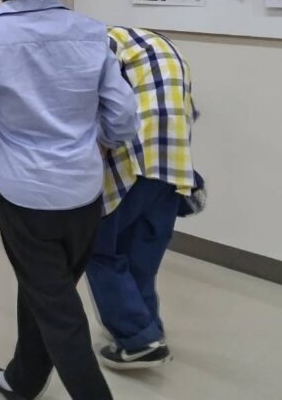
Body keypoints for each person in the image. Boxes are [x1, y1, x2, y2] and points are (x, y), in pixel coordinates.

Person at [0, 0, 138, 400]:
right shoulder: (92, 33)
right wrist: (98, 141)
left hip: (23, 194)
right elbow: (122, 117)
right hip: (83, 191)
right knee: (46, 289)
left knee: (58, 309)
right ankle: (24, 379)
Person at [87, 26, 199, 371]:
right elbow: (190, 110)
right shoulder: (162, 46)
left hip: (133, 159)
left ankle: (139, 340)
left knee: (99, 248)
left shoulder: (96, 42)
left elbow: (103, 108)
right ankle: (150, 330)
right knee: (141, 256)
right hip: (175, 163)